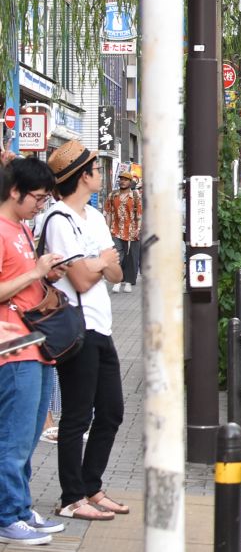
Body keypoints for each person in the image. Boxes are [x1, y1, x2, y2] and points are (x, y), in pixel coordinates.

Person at [41, 141, 128, 522]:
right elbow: (78, 278)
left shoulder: (93, 217)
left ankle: (92, 487)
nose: (100, 173)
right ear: (82, 176)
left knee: (112, 412)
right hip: (76, 328)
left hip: (101, 325)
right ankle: (71, 496)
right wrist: (99, 262)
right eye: (95, 167)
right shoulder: (59, 219)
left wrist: (96, 264)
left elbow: (118, 271)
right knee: (77, 417)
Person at [0, 156, 70, 544]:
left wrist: (47, 274)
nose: (41, 205)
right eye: (38, 198)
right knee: (13, 436)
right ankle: (8, 514)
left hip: (37, 344)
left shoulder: (22, 229)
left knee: (27, 436)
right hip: (12, 350)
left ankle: (20, 508)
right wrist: (35, 272)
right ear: (15, 191)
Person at [103, 170, 141, 294]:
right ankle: (117, 281)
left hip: (132, 231)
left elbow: (140, 215)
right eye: (121, 179)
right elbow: (108, 213)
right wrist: (107, 230)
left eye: (125, 179)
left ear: (130, 182)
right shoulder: (112, 195)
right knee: (118, 256)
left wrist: (138, 229)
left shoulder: (135, 196)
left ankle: (128, 282)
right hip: (116, 230)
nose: (123, 181)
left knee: (130, 257)